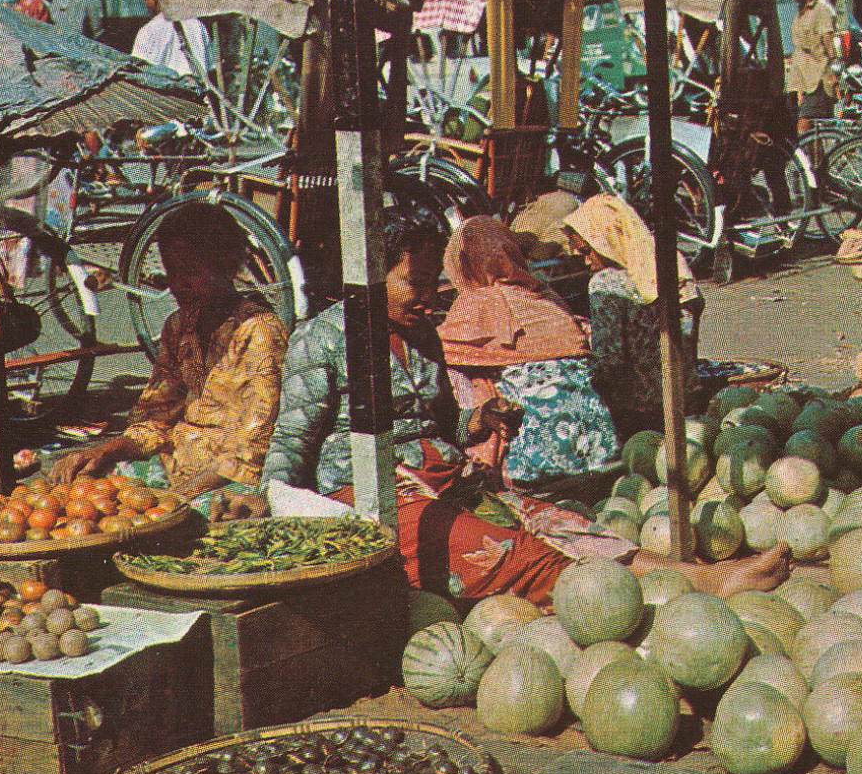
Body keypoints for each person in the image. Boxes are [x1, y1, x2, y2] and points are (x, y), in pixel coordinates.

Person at [260, 211, 790, 605]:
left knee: (557, 523)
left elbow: (438, 423)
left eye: (432, 282)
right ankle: (654, 601)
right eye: (413, 284)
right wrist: (275, 510)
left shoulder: (421, 332)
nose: (428, 297)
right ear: (370, 275)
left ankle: (696, 578)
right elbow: (292, 440)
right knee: (509, 552)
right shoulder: (322, 339)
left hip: (441, 473)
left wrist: (477, 422)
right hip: (370, 495)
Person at [51, 203, 287, 507]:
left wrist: (179, 498)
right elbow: (155, 417)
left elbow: (252, 448)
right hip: (176, 467)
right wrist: (102, 451)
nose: (178, 284)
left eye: (192, 272)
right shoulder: (178, 325)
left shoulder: (259, 331)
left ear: (227, 266)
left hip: (226, 483)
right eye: (172, 272)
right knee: (82, 488)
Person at [438, 215, 620, 486]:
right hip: (602, 448)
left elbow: (438, 350)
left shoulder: (471, 304)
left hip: (535, 467)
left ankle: (486, 464)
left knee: (458, 374)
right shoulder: (545, 296)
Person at [563, 194, 704, 440]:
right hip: (687, 397)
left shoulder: (606, 283)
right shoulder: (671, 264)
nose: (586, 262)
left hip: (641, 414)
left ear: (607, 240)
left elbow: (610, 363)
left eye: (588, 251)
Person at [786, 0, 837, 136]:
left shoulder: (820, 11)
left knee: (804, 126)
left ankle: (806, 162)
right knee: (811, 133)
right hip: (801, 81)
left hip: (818, 81)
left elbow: (829, 45)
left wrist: (836, 74)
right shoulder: (799, 13)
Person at [131, 0, 210, 78]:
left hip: (165, 93)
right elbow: (209, 67)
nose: (145, 2)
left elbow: (138, 73)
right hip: (198, 92)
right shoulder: (198, 26)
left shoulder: (148, 31)